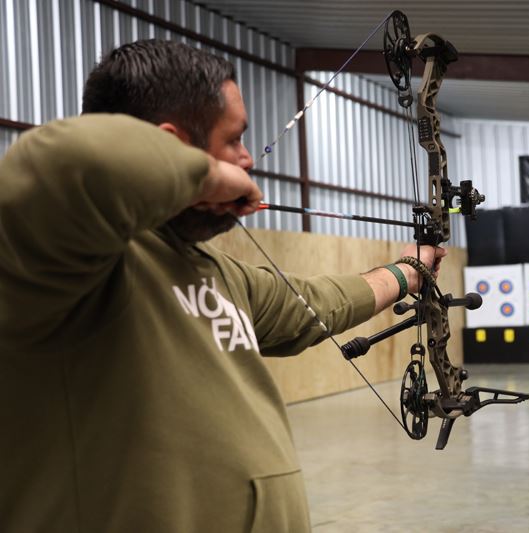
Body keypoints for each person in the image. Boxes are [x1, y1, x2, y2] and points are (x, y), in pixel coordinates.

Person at [0, 40, 445, 533]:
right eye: (233, 140)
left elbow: (316, 305)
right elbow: (60, 159)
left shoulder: (213, 269)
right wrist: (207, 176)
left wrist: (410, 270)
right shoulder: (63, 262)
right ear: (171, 148)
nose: (247, 158)